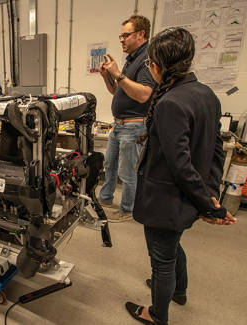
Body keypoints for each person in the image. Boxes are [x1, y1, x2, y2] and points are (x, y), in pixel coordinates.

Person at [125, 27, 237, 325]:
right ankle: (179, 291)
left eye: (150, 63)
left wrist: (210, 205)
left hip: (166, 199)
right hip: (187, 198)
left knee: (162, 260)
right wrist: (209, 194)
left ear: (157, 66)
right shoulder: (207, 95)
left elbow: (180, 165)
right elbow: (216, 151)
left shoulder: (170, 103)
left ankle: (157, 314)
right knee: (173, 246)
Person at [98, 15, 156, 222]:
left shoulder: (148, 59)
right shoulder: (132, 59)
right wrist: (107, 76)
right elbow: (117, 91)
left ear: (140, 34)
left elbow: (143, 94)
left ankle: (128, 209)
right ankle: (105, 198)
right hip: (119, 125)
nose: (121, 39)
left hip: (134, 126)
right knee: (110, 165)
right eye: (120, 36)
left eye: (126, 35)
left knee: (128, 171)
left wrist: (119, 74)